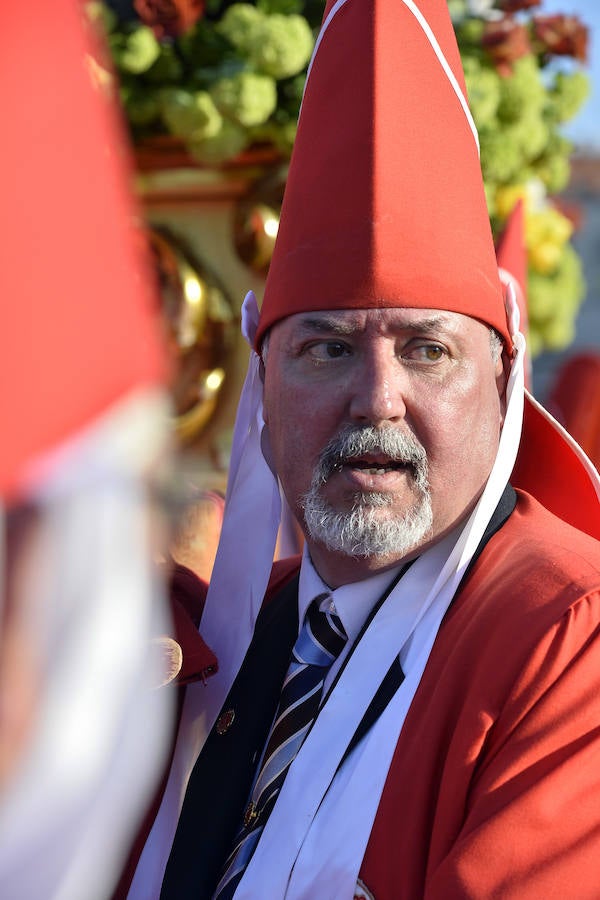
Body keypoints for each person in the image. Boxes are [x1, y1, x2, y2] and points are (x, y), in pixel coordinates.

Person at [126, 0, 600, 897]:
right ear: (260, 383)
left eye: (428, 350)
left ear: (503, 383)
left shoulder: (568, 636)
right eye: (328, 348)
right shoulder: (199, 646)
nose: (377, 399)